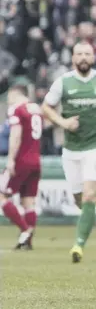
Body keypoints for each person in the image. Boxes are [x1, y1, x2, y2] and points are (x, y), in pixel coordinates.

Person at [42, 41, 96, 263]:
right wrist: (63, 123)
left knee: (87, 196)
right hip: (71, 149)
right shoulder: (63, 82)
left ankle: (78, 245)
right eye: (79, 54)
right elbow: (45, 107)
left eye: (87, 53)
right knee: (80, 201)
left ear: (93, 57)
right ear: (73, 58)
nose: (83, 57)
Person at [0, 85, 42, 250]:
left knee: (1, 195)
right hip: (36, 160)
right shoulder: (36, 109)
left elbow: (16, 134)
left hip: (21, 160)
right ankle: (28, 241)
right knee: (28, 201)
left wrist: (11, 159)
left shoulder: (16, 109)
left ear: (15, 94)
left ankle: (25, 230)